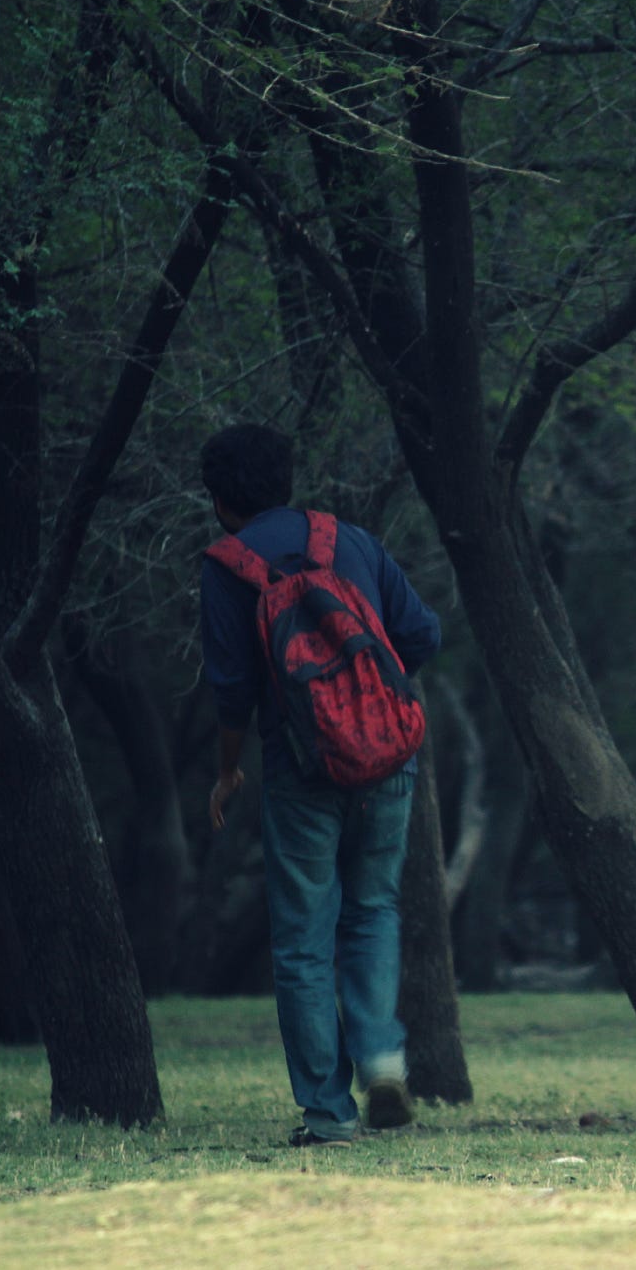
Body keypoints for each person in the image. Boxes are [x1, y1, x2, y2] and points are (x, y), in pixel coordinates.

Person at [198, 423, 441, 1147]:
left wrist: (227, 770)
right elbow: (423, 634)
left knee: (304, 940)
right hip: (388, 760)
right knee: (373, 909)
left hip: (301, 770)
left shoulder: (227, 566)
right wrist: (367, 699)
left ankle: (330, 1115)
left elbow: (232, 687)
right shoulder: (349, 540)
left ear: (219, 500)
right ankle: (383, 1059)